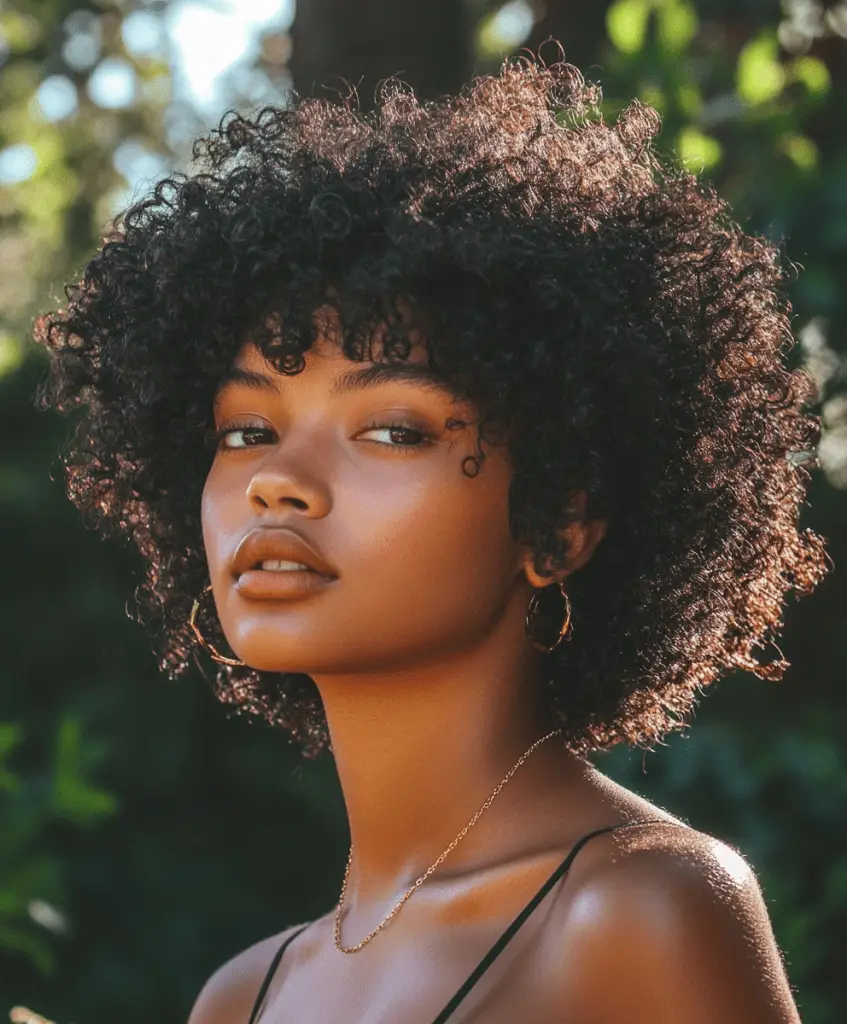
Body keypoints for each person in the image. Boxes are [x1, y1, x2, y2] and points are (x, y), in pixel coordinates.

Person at [33, 55, 830, 1023]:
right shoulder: (240, 999)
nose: (276, 477)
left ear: (559, 522)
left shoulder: (642, 910)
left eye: (392, 429)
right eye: (246, 430)